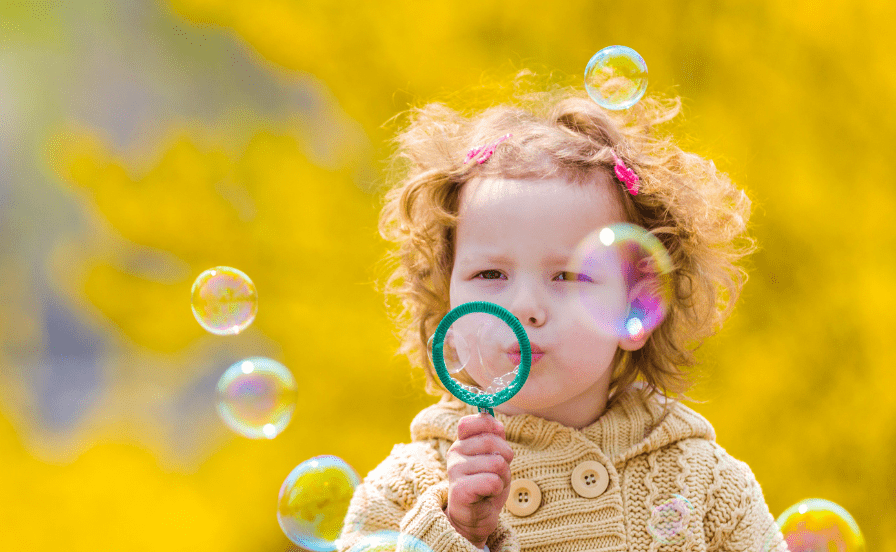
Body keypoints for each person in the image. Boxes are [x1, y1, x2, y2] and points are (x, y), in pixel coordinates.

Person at [338, 74, 788, 552]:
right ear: (448, 300)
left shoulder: (706, 486)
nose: (525, 307)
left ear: (635, 309)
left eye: (568, 277)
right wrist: (457, 533)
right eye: (490, 275)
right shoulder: (406, 488)